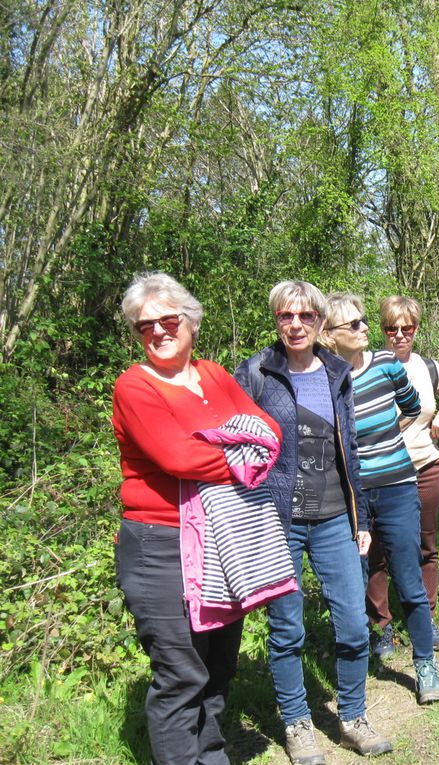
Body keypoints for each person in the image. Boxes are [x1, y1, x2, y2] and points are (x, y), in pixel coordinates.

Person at [113, 272, 284, 765]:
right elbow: (177, 458)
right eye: (145, 326)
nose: (158, 332)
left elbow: (268, 430)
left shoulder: (212, 375)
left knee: (217, 666)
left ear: (191, 322)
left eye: (168, 320)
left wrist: (231, 445)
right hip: (160, 545)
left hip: (219, 541)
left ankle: (211, 756)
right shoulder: (135, 386)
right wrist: (240, 451)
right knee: (182, 673)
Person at [235, 281, 392, 764]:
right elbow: (235, 446)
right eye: (286, 315)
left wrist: (360, 514)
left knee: (352, 624)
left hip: (333, 519)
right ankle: (297, 723)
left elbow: (351, 452)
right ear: (276, 320)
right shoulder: (255, 373)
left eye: (306, 316)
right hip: (275, 520)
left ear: (322, 322)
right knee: (287, 630)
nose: (296, 324)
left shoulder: (337, 373)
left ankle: (353, 717)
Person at [320, 293, 439, 705]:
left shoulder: (388, 365)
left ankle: (425, 664)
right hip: (351, 498)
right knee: (355, 581)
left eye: (363, 321)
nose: (365, 328)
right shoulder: (327, 379)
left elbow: (411, 408)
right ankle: (369, 646)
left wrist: (386, 443)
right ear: (330, 335)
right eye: (353, 324)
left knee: (409, 576)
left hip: (396, 487)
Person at [368, 296, 439, 656]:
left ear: (416, 328)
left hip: (425, 468)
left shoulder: (428, 368)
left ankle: (426, 621)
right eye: (391, 328)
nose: (399, 335)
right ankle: (380, 627)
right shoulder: (367, 367)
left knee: (425, 547)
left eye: (407, 328)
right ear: (382, 329)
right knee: (377, 553)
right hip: (381, 476)